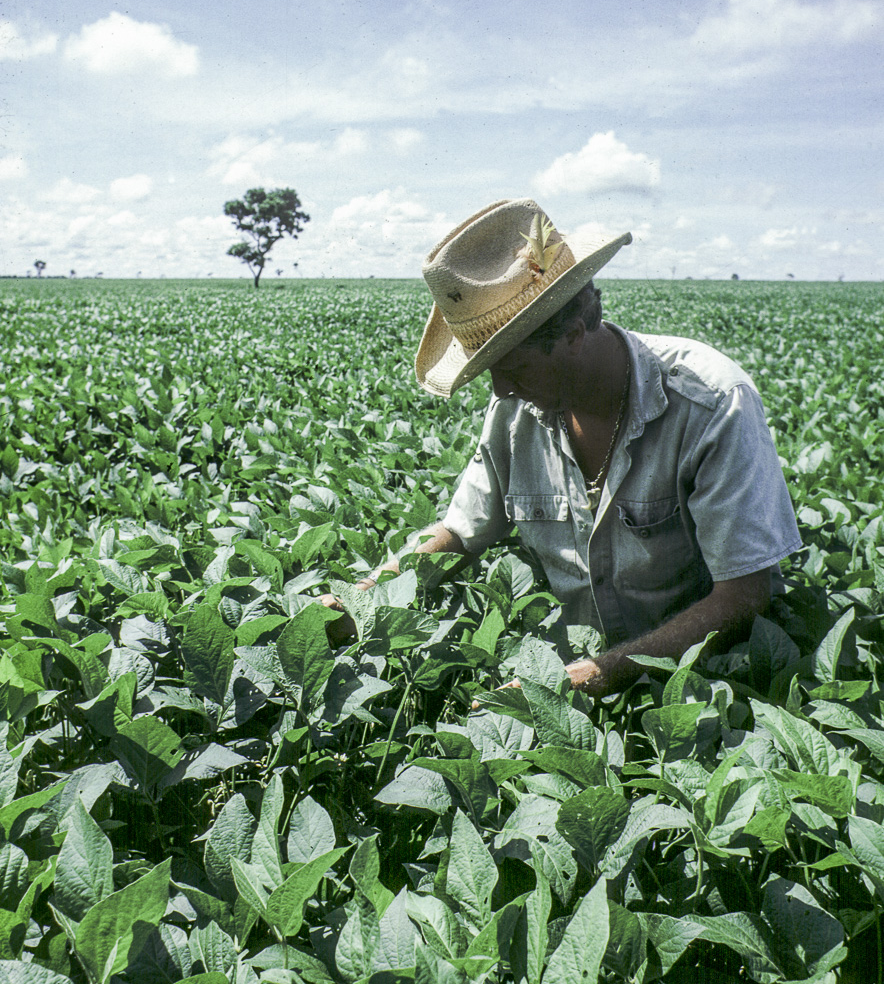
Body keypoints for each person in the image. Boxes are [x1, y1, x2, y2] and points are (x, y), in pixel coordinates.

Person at [323, 197, 802, 698]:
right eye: (490, 372)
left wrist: (606, 671)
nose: (500, 390)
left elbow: (745, 594)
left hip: (706, 687)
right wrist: (367, 596)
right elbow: (461, 534)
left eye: (513, 367)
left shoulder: (711, 403)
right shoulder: (516, 411)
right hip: (573, 674)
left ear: (576, 327)